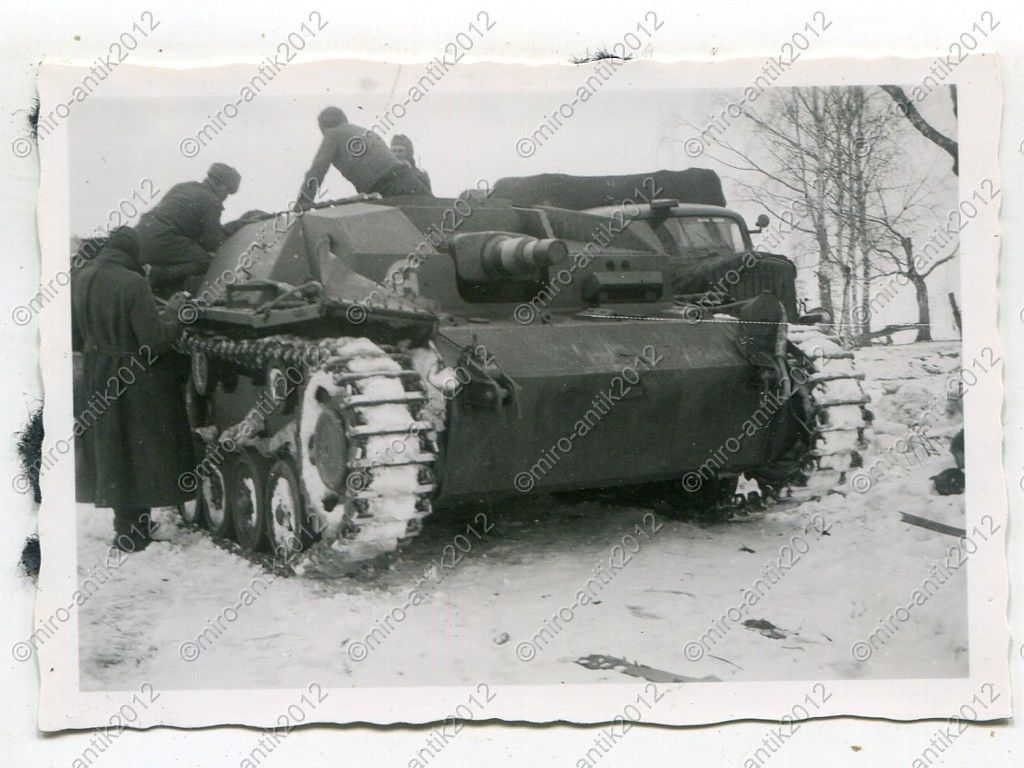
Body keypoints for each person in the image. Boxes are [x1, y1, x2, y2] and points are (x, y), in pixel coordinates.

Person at [71, 226, 195, 552]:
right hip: (133, 379)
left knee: (114, 452)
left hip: (97, 373)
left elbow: (74, 335)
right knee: (138, 453)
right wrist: (175, 312)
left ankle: (128, 528)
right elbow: (154, 341)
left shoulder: (82, 278)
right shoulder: (133, 282)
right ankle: (133, 534)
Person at [135, 163, 242, 299]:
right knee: (205, 260)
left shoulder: (183, 187)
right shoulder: (211, 201)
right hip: (161, 238)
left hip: (138, 236)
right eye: (227, 192)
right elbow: (212, 243)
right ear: (222, 186)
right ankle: (155, 275)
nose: (226, 197)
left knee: (187, 254)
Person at [295, 107, 431, 208]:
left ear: (323, 128)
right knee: (436, 217)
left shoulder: (332, 134)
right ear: (345, 119)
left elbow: (317, 169)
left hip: (385, 188)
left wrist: (303, 202)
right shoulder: (364, 131)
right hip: (408, 179)